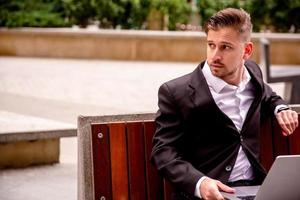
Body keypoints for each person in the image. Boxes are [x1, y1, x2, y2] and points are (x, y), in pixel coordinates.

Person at [151, 8, 299, 200]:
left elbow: (267, 94)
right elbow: (163, 153)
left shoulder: (253, 74)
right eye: (211, 45)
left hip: (256, 189)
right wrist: (200, 183)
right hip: (207, 194)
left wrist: (281, 108)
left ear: (246, 51)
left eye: (225, 47)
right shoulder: (176, 92)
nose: (214, 56)